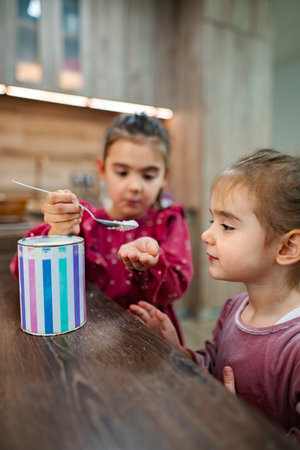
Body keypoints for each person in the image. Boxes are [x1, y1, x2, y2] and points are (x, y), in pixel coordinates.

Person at [129, 148, 300, 441]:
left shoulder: (294, 347)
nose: (207, 235)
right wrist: (178, 350)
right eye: (212, 221)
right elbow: (212, 364)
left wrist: (241, 426)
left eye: (227, 225)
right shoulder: (234, 308)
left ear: (286, 248)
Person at [10, 113, 194, 344]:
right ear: (102, 169)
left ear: (164, 177)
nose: (135, 186)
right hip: (91, 338)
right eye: (122, 172)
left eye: (148, 175)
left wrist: (152, 262)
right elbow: (21, 272)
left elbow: (177, 287)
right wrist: (57, 232)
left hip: (153, 337)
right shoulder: (84, 224)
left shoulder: (168, 222)